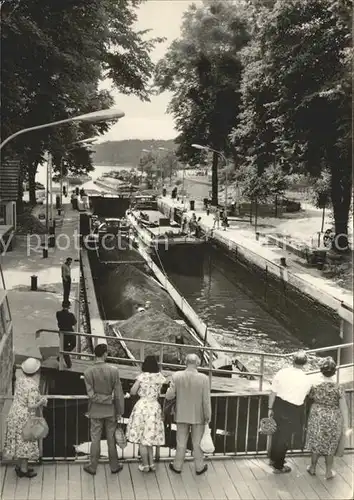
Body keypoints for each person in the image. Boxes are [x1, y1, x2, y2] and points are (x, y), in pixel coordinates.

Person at [165, 353, 211, 475]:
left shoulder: (176, 376)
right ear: (198, 363)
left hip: (181, 414)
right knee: (197, 443)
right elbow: (206, 401)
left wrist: (170, 388)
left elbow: (169, 396)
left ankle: (177, 466)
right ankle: (199, 467)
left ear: (185, 362)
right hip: (198, 415)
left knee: (181, 442)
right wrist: (208, 415)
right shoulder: (204, 378)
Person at [83, 343, 125, 476]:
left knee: (95, 438)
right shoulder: (114, 370)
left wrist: (103, 399)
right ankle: (114, 466)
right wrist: (119, 410)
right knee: (111, 439)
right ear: (105, 354)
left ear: (95, 354)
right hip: (111, 411)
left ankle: (92, 466)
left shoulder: (88, 372)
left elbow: (91, 395)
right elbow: (118, 394)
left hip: (95, 410)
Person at [305, 357, 350, 479]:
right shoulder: (338, 388)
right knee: (330, 444)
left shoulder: (315, 386)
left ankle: (313, 467)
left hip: (317, 415)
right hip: (332, 417)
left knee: (316, 442)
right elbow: (344, 407)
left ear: (321, 371)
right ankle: (328, 471)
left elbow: (310, 398)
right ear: (334, 372)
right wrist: (346, 424)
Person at [268, 351, 312, 474]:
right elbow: (305, 395)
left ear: (292, 360)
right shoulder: (307, 379)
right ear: (305, 363)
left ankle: (273, 458)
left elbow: (273, 392)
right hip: (294, 408)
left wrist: (270, 408)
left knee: (277, 432)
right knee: (285, 437)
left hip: (279, 404)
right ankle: (279, 465)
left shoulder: (282, 373)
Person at [3, 358, 47, 478]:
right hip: (24, 416)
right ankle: (24, 469)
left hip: (14, 413)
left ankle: (19, 466)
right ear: (36, 371)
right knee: (25, 442)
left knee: (17, 441)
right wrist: (41, 401)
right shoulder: (33, 386)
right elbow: (31, 405)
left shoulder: (20, 381)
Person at [126, 355, 166, 472]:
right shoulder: (160, 377)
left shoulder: (142, 377)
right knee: (149, 436)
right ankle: (152, 463)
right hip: (154, 407)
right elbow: (159, 393)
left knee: (142, 439)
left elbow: (133, 391)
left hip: (142, 407)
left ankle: (145, 465)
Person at [56, 302, 77, 368]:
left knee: (64, 346)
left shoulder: (58, 313)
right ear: (69, 307)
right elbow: (74, 323)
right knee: (73, 344)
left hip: (62, 332)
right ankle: (65, 359)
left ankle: (63, 358)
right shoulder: (71, 315)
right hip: (69, 333)